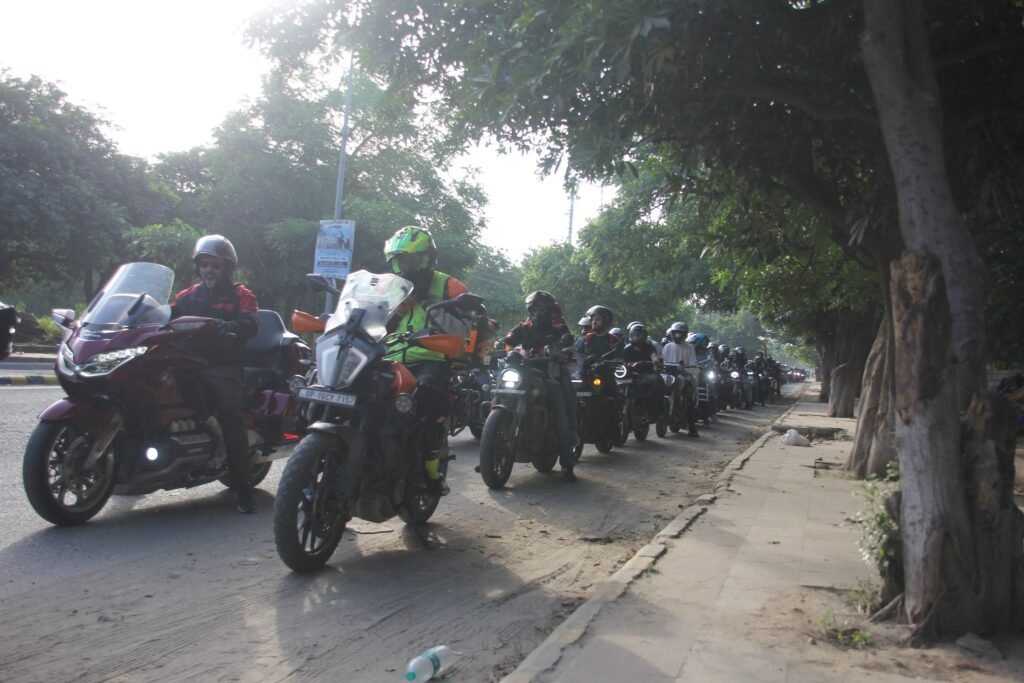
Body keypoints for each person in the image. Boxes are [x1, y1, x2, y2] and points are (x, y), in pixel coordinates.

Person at [171, 235, 260, 513]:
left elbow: (251, 323)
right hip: (186, 361)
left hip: (221, 365)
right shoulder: (186, 296)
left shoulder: (241, 295)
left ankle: (243, 487)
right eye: (204, 265)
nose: (208, 270)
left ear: (227, 269)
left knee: (229, 412)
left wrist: (230, 326)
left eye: (215, 266)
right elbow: (164, 317)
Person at [383, 225, 467, 496]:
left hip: (431, 357)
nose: (406, 265)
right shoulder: (391, 286)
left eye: (411, 259)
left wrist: (432, 306)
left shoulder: (449, 286)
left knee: (430, 399)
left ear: (427, 257)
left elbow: (464, 331)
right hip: (390, 357)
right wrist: (396, 313)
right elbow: (374, 324)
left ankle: (431, 466)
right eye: (401, 260)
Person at [502, 290, 579, 481]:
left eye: (539, 307)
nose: (535, 311)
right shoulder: (524, 327)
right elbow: (508, 341)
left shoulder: (558, 328)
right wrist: (499, 346)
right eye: (532, 307)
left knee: (561, 411)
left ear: (549, 309)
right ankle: (491, 448)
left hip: (551, 374)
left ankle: (568, 463)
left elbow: (569, 344)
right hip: (526, 373)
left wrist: (564, 352)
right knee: (500, 392)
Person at [662, 322, 700, 437]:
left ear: (684, 334)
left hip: (684, 375)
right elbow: (662, 361)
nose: (678, 336)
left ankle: (692, 426)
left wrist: (687, 370)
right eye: (676, 333)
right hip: (669, 375)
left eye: (680, 333)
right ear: (672, 334)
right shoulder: (668, 346)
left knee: (689, 398)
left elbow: (693, 364)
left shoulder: (690, 347)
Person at [622, 322, 666, 421]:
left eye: (640, 335)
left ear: (644, 336)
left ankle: (655, 412)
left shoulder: (649, 347)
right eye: (635, 335)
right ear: (631, 335)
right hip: (631, 375)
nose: (637, 337)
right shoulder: (627, 349)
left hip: (646, 374)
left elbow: (654, 357)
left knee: (658, 380)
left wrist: (655, 362)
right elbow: (622, 362)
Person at [576, 306, 623, 377]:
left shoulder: (614, 341)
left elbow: (620, 360)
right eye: (592, 320)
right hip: (587, 377)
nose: (594, 322)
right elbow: (578, 357)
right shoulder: (586, 339)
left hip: (607, 378)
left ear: (606, 322)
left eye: (597, 319)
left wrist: (604, 363)